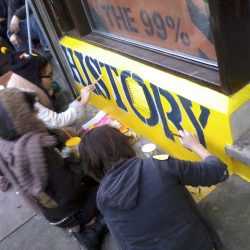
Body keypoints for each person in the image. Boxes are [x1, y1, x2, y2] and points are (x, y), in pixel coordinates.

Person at [79, 125, 229, 250]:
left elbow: (125, 243)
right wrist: (195, 145)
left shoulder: (102, 199)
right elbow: (219, 171)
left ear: (92, 166)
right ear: (125, 144)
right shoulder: (159, 166)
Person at [0, 88, 106, 250]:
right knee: (114, 188)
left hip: (52, 213)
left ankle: (81, 223)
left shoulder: (6, 146)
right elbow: (71, 189)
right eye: (33, 111)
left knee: (95, 178)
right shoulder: (36, 148)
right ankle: (92, 231)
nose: (36, 115)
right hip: (70, 211)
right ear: (21, 118)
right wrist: (76, 160)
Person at [7, 51, 95, 129]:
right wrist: (82, 102)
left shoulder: (22, 79)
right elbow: (57, 121)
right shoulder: (23, 98)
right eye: (49, 75)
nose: (53, 77)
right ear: (36, 79)